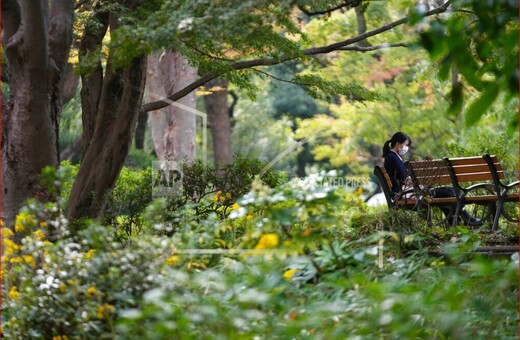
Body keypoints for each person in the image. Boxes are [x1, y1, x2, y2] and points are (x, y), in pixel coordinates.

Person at [381, 132, 478, 225]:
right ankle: (466, 219)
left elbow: (403, 175)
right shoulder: (392, 158)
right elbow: (403, 176)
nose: (406, 148)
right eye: (405, 145)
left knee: (449, 191)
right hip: (407, 194)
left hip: (409, 191)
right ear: (398, 144)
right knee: (448, 192)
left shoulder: (393, 157)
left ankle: (457, 222)